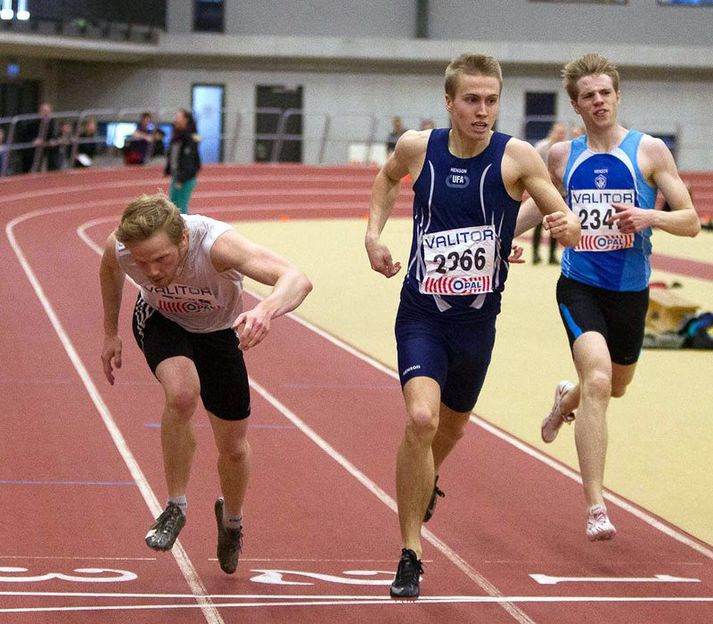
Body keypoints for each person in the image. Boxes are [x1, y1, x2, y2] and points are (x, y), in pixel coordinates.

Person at [365, 52, 580, 599]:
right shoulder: (419, 147)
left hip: (478, 323)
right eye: (471, 100)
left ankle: (423, 483)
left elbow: (565, 219)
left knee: (452, 428)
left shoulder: (518, 157)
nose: (482, 111)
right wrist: (374, 233)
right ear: (449, 101)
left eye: (491, 101)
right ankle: (411, 551)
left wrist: (567, 224)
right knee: (421, 419)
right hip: (421, 313)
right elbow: (387, 178)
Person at [515, 53, 700, 542]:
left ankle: (563, 402)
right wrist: (500, 239)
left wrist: (650, 217)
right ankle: (596, 505)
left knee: (614, 386)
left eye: (605, 93)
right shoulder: (561, 157)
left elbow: (692, 221)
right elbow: (540, 203)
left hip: (630, 292)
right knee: (596, 379)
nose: (598, 102)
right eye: (588, 96)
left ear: (617, 96)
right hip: (580, 286)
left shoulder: (650, 152)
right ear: (576, 105)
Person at [100, 193, 312, 574]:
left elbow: (297, 279)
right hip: (163, 321)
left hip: (218, 332)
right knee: (182, 394)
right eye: (143, 262)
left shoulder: (216, 245)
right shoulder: (123, 247)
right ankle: (175, 506)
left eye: (162, 259)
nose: (153, 272)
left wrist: (264, 309)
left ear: (182, 239)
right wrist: (109, 332)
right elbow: (110, 266)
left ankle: (232, 523)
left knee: (232, 448)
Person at [532, 122, 568, 264]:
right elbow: (532, 167)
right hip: (541, 190)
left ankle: (552, 255)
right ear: (552, 132)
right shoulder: (541, 147)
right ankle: (535, 253)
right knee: (537, 223)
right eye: (558, 132)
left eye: (562, 133)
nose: (560, 135)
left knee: (556, 223)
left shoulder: (565, 149)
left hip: (559, 191)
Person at [165, 109, 201, 215]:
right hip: (177, 175)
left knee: (180, 209)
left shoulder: (189, 137)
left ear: (186, 120)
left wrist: (182, 178)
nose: (175, 119)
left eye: (178, 117)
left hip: (185, 177)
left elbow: (189, 160)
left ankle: (185, 230)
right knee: (173, 206)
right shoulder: (177, 135)